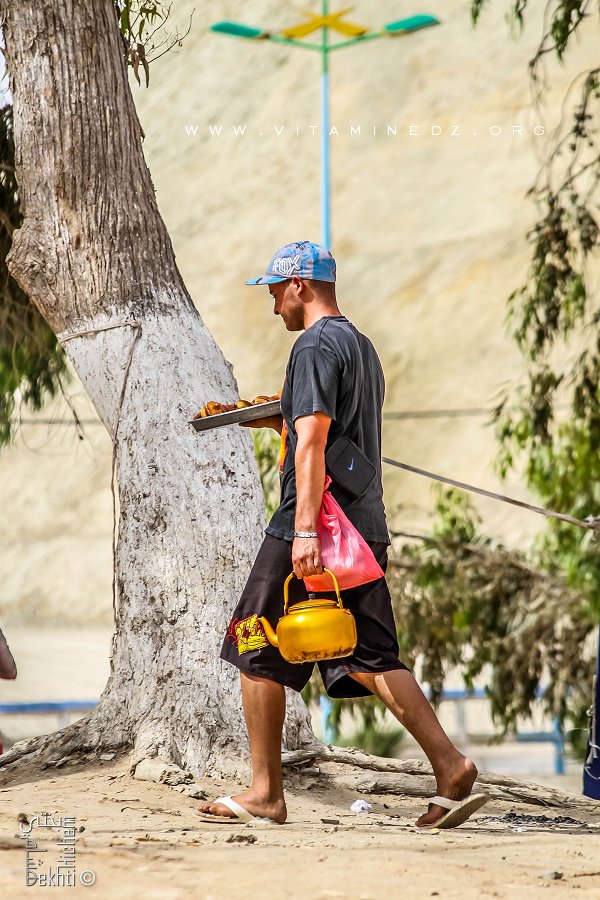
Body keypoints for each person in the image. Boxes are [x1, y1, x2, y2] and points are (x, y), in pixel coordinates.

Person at [196, 241, 488, 829]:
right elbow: (330, 428)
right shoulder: (361, 347)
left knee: (254, 642)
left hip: (315, 524)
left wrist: (303, 531)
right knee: (370, 655)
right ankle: (450, 764)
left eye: (276, 291)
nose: (273, 304)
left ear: (300, 286)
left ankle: (264, 793)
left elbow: (312, 442)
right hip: (364, 526)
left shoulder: (312, 345)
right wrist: (275, 416)